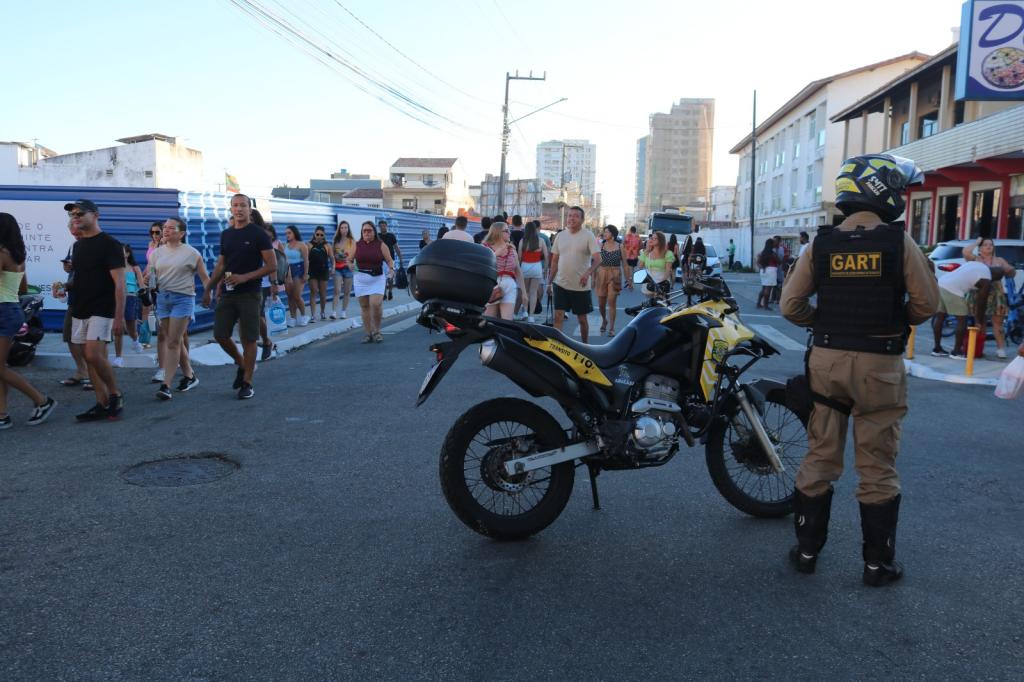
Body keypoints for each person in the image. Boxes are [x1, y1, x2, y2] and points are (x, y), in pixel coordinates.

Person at [780, 154, 939, 587]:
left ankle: (807, 552)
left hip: (827, 362)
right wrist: (890, 318)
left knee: (820, 457)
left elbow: (790, 306)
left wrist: (825, 324)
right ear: (882, 190)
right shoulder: (897, 242)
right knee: (877, 466)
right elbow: (927, 305)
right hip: (879, 366)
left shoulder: (821, 243)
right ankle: (876, 565)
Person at [203, 194, 276, 400]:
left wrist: (245, 277)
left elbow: (272, 265)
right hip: (228, 291)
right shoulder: (226, 234)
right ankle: (242, 364)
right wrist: (209, 287)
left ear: (249, 209)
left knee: (248, 338)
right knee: (220, 334)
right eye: (235, 205)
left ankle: (247, 382)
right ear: (231, 209)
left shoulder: (259, 234)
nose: (239, 209)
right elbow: (221, 265)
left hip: (250, 293)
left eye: (243, 205)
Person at [64, 199, 126, 421]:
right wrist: (64, 287)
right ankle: (101, 403)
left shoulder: (110, 244)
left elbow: (120, 283)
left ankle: (115, 394)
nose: (76, 217)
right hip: (80, 307)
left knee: (93, 354)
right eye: (73, 214)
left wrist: (119, 317)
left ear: (96, 215)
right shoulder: (78, 246)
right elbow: (81, 278)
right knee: (87, 358)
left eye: (81, 213)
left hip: (102, 308)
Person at [0, 212, 57, 429]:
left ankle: (42, 401)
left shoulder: (0, 253)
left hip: (3, 310)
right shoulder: (18, 256)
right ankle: (2, 415)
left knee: (0, 367)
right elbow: (23, 288)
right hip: (11, 308)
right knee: (1, 365)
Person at [149, 217, 210, 400]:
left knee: (173, 342)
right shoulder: (156, 254)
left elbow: (205, 277)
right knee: (174, 340)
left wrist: (209, 293)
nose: (165, 231)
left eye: (170, 228)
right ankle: (190, 376)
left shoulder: (192, 253)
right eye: (164, 228)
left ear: (181, 233)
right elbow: (152, 276)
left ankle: (165, 385)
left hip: (183, 299)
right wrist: (148, 281)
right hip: (163, 299)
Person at [548, 206, 601, 343]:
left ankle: (585, 346)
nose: (571, 218)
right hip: (560, 283)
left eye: (575, 216)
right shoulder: (560, 236)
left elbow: (598, 259)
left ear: (582, 220)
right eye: (569, 215)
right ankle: (556, 347)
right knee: (558, 317)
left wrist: (587, 273)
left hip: (580, 286)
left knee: (582, 320)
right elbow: (554, 261)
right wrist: (549, 282)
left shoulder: (588, 235)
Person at [931, 259, 1000, 359]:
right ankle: (956, 352)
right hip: (953, 290)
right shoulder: (987, 279)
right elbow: (981, 303)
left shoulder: (978, 264)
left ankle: (937, 349)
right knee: (962, 320)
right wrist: (979, 320)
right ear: (995, 277)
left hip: (941, 283)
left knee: (940, 317)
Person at [963, 237, 1017, 359]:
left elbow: (1010, 271)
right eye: (985, 245)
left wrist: (1011, 271)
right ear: (980, 248)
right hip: (979, 293)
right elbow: (966, 252)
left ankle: (1001, 349)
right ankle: (978, 349)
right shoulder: (975, 259)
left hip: (996, 293)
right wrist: (976, 242)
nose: (988, 246)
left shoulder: (999, 260)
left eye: (991, 245)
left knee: (997, 323)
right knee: (980, 322)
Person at [56, 221, 91, 389]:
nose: (75, 236)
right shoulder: (74, 245)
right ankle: (81, 371)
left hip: (91, 299)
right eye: (73, 233)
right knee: (69, 335)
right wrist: (67, 268)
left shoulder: (94, 246)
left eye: (77, 233)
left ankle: (94, 375)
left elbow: (90, 272)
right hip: (74, 296)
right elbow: (73, 270)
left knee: (89, 339)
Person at [351, 221, 395, 343]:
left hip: (377, 278)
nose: (366, 233)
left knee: (375, 304)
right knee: (364, 306)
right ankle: (368, 333)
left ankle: (377, 331)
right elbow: (350, 260)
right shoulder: (357, 245)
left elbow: (389, 260)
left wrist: (391, 270)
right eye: (364, 231)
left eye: (369, 230)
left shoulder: (381, 245)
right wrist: (352, 267)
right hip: (360, 279)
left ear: (374, 232)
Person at [111, 244, 145, 367]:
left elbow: (141, 285)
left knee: (131, 328)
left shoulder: (134, 268)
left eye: (122, 251)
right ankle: (118, 357)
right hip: (116, 298)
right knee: (118, 329)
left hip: (131, 298)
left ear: (128, 254)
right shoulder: (113, 268)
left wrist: (144, 295)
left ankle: (135, 341)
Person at [482, 222, 524, 320]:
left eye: (509, 230)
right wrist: (496, 254)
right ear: (497, 233)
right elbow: (482, 265)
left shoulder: (512, 249)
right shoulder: (485, 248)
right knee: (489, 321)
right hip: (492, 285)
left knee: (507, 323)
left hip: (510, 286)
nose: (509, 233)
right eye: (506, 231)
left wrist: (524, 293)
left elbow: (518, 271)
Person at [596, 225, 625, 336]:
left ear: (612, 234)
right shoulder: (601, 245)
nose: (604, 234)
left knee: (611, 301)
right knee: (601, 304)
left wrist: (629, 280)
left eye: (607, 232)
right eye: (604, 232)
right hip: (602, 273)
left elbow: (625, 265)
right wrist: (593, 277)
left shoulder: (620, 246)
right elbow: (596, 261)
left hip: (615, 274)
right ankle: (604, 320)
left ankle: (612, 328)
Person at [518, 220, 549, 323]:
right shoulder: (541, 241)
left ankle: (525, 312)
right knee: (533, 292)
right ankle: (531, 316)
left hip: (525, 266)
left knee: (525, 291)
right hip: (537, 266)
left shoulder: (523, 241)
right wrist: (545, 269)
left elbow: (519, 257)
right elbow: (546, 255)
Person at [639, 231, 675, 297]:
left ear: (661, 241)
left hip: (661, 284)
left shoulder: (667, 253)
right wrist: (647, 249)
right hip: (649, 284)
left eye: (655, 238)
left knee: (660, 304)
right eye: (652, 238)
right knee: (650, 305)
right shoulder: (647, 252)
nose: (652, 240)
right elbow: (640, 266)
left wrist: (660, 285)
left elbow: (668, 271)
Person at [331, 220, 355, 319]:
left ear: (348, 229)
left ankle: (343, 311)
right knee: (337, 290)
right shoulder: (335, 241)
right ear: (339, 229)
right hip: (338, 268)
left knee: (347, 292)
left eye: (346, 227)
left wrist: (349, 261)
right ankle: (333, 312)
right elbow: (332, 256)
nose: (344, 229)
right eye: (342, 228)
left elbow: (354, 256)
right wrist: (336, 258)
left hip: (348, 269)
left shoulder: (352, 241)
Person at [307, 226, 331, 321]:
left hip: (323, 271)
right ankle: (313, 315)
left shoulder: (327, 245)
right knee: (313, 292)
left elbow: (332, 258)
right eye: (317, 234)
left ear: (324, 236)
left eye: (321, 235)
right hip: (312, 272)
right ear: (314, 234)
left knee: (323, 293)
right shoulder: (309, 245)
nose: (319, 236)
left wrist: (333, 268)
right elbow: (305, 258)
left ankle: (322, 312)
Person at [378, 219, 401, 301]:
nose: (382, 228)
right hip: (381, 261)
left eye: (384, 226)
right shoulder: (377, 236)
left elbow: (396, 247)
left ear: (386, 226)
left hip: (390, 260)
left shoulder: (391, 236)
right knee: (382, 278)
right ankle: (383, 293)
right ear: (379, 227)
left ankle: (390, 291)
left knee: (390, 278)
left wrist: (400, 257)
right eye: (381, 226)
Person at [756, 239, 779, 310]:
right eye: (773, 243)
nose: (775, 244)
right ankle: (766, 305)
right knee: (768, 289)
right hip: (771, 270)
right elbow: (779, 261)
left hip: (763, 270)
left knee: (763, 288)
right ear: (771, 245)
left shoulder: (762, 253)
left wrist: (761, 268)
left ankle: (758, 303)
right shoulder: (772, 253)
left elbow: (758, 262)